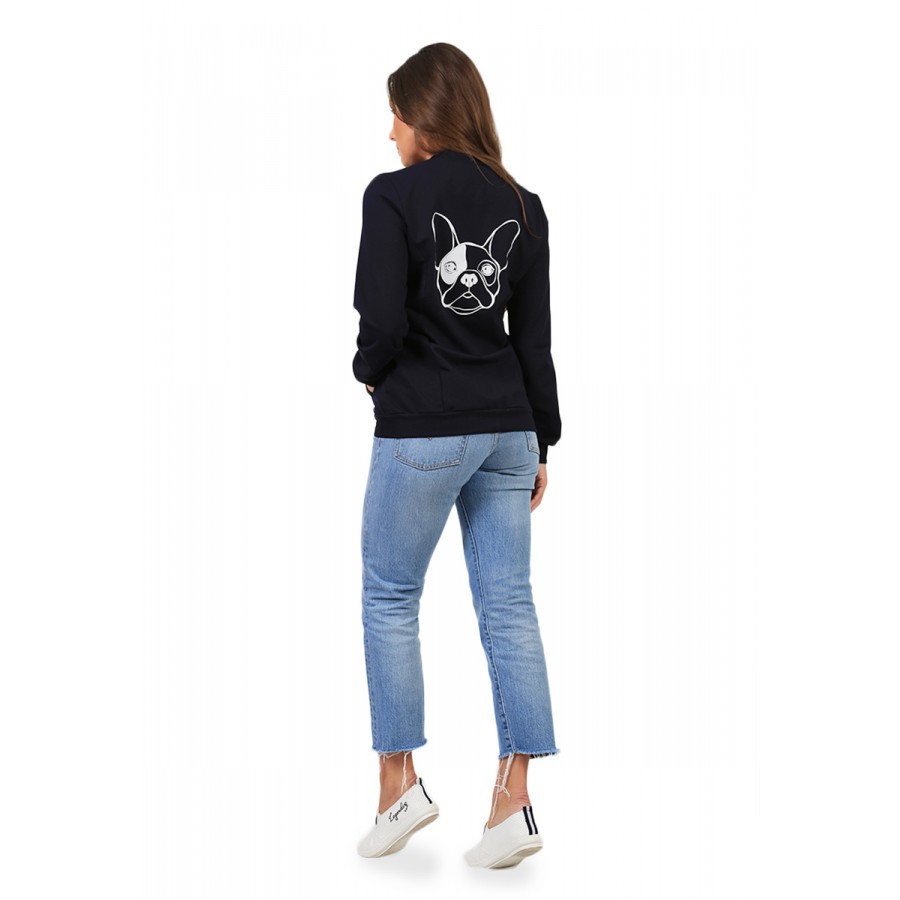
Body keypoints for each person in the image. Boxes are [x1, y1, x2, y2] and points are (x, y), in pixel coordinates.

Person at [352, 43, 561, 868]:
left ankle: (397, 786)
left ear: (425, 119)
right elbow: (534, 341)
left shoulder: (393, 195)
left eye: (397, 115)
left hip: (423, 428)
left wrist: (371, 374)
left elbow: (381, 320)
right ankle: (514, 800)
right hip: (510, 429)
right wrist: (543, 438)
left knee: (389, 595)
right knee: (509, 606)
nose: (390, 132)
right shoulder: (524, 206)